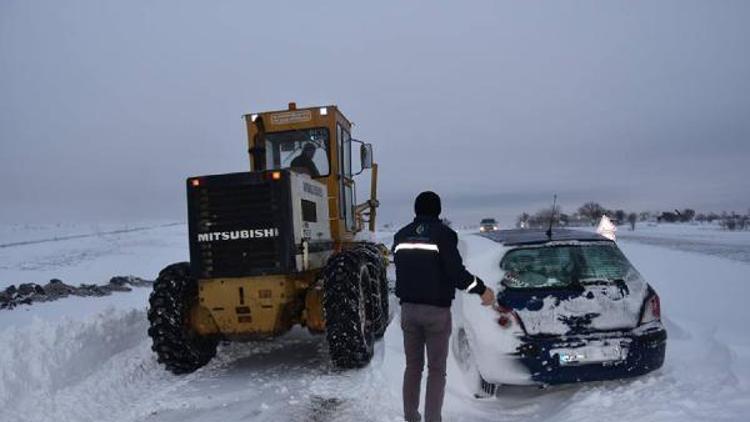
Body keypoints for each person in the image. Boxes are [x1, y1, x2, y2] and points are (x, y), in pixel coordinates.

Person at [393, 191, 495, 422]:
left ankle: (411, 417)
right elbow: (457, 274)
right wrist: (482, 290)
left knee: (413, 367)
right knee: (436, 370)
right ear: (438, 210)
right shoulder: (444, 235)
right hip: (436, 313)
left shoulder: (400, 236)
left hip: (408, 310)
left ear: (416, 210)